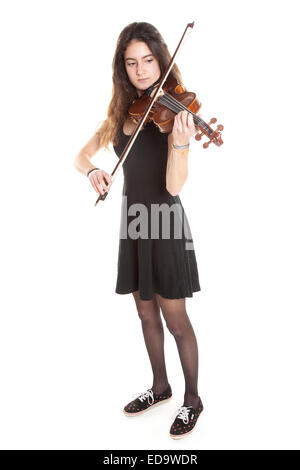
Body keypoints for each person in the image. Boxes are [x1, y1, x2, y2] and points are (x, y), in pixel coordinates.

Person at [74, 22, 204, 439]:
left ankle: (193, 400)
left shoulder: (174, 112)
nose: (141, 69)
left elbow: (174, 186)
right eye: (131, 62)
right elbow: (81, 155)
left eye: (148, 60)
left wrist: (181, 144)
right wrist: (93, 170)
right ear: (122, 69)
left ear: (160, 60)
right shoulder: (121, 114)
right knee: (145, 312)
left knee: (175, 320)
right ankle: (160, 387)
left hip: (164, 222)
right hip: (133, 222)